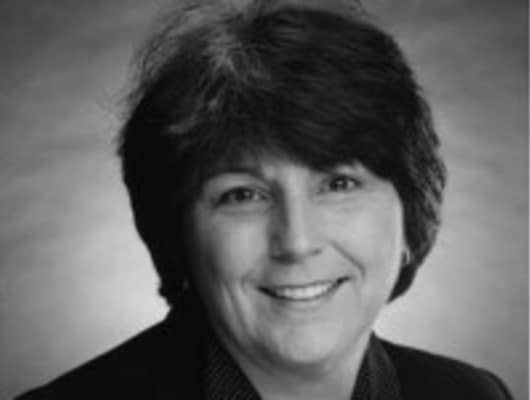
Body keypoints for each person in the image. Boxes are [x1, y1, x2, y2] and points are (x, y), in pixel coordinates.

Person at [17, 0, 513, 399]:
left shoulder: (472, 394)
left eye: (339, 184)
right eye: (242, 195)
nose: (296, 241)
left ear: (411, 215)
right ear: (178, 234)